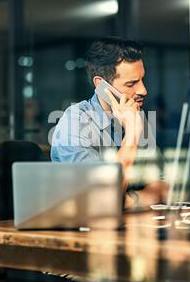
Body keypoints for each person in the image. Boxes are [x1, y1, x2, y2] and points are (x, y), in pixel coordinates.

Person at [51, 36, 168, 208]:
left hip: (129, 226)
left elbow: (163, 187)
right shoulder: (75, 123)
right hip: (81, 230)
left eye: (142, 80)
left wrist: (127, 201)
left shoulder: (135, 116)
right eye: (131, 84)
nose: (143, 90)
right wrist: (132, 137)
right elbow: (102, 197)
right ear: (101, 86)